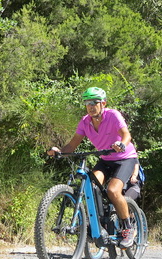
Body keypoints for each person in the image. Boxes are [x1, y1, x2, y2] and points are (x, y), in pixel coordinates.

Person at [49, 87, 138, 247]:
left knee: (113, 190)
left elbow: (126, 135)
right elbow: (73, 144)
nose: (90, 106)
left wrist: (121, 144)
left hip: (125, 158)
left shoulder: (113, 115)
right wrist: (59, 152)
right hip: (105, 158)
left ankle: (128, 228)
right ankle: (100, 222)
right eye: (87, 103)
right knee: (91, 184)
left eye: (94, 102)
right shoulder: (85, 122)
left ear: (103, 103)